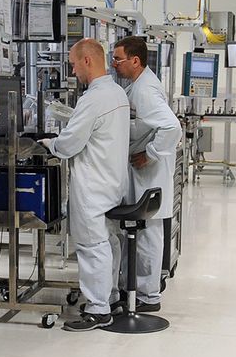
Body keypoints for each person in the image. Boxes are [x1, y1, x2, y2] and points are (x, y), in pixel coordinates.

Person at [42, 38, 130, 331]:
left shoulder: (92, 99)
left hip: (93, 185)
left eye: (73, 63)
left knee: (92, 246)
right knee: (109, 241)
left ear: (87, 61)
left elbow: (70, 144)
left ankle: (97, 310)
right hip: (112, 182)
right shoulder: (116, 93)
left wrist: (49, 143)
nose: (73, 70)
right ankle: (112, 297)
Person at [111, 36, 180, 312]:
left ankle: (148, 296)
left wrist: (150, 153)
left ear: (135, 61)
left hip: (149, 171)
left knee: (148, 233)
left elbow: (171, 128)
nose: (114, 65)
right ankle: (137, 289)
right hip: (144, 172)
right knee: (142, 233)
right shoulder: (138, 85)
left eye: (118, 59)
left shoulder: (145, 91)